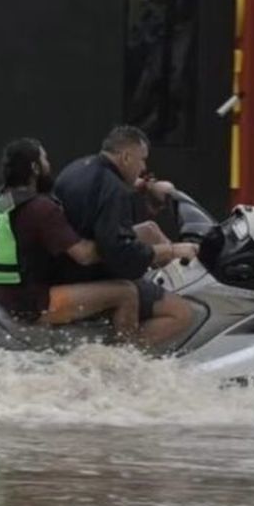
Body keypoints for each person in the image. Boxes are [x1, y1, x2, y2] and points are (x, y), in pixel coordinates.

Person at [0, 138, 139, 338]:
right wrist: (122, 246)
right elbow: (84, 255)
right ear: (35, 167)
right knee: (126, 293)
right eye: (45, 159)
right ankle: (128, 360)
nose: (49, 165)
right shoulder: (40, 208)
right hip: (32, 303)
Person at [53, 125, 198, 347]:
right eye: (142, 160)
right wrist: (173, 250)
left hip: (63, 263)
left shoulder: (79, 167)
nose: (144, 166)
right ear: (126, 157)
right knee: (182, 313)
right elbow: (122, 256)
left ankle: (175, 280)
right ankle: (125, 358)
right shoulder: (114, 191)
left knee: (149, 229)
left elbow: (101, 197)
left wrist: (148, 186)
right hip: (87, 275)